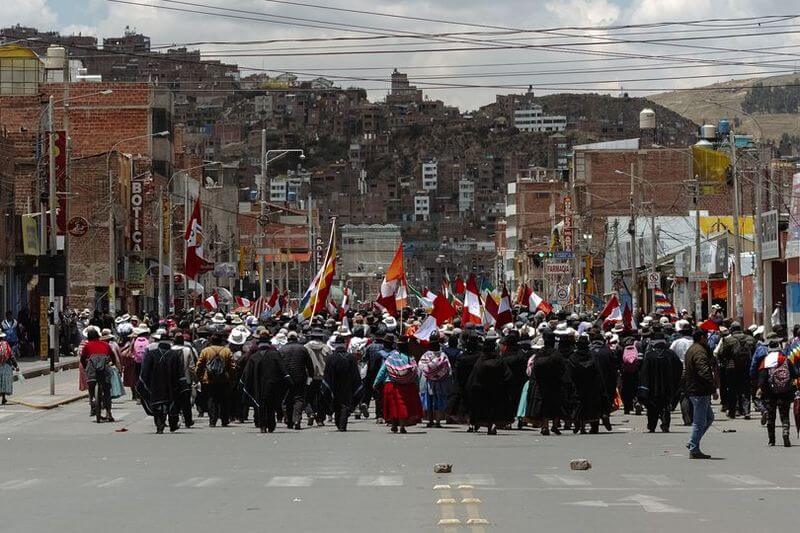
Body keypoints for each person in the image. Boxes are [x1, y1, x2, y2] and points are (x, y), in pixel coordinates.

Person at [242, 327, 291, 433]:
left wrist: (245, 383)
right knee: (271, 405)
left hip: (258, 385)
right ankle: (270, 424)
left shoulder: (254, 357)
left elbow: (247, 373)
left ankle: (262, 425)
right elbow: (283, 370)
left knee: (261, 405)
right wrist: (287, 380)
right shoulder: (275, 354)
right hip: (273, 384)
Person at [465, 332, 515, 435]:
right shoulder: (499, 360)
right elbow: (508, 376)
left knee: (483, 408)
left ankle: (481, 424)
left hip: (481, 390)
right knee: (494, 408)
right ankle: (492, 425)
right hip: (496, 389)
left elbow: (474, 377)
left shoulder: (480, 361)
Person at [138, 333, 187, 434]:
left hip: (155, 387)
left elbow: (145, 372)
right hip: (172, 387)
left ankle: (159, 425)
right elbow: (180, 372)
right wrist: (183, 385)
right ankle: (173, 425)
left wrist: (142, 384)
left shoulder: (151, 354)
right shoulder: (175, 355)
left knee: (156, 406)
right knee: (173, 406)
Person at [374, 335, 423, 433]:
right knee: (403, 405)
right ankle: (402, 426)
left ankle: (394, 424)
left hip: (391, 384)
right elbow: (415, 373)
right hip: (408, 385)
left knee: (393, 405)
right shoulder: (410, 358)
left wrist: (376, 382)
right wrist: (417, 385)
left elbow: (383, 370)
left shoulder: (391, 357)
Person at [637, 330, 683, 433]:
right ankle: (665, 423)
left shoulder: (649, 355)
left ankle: (652, 426)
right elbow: (679, 368)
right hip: (667, 386)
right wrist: (674, 381)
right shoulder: (670, 354)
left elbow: (644, 372)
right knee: (665, 405)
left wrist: (643, 387)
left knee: (652, 406)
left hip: (652, 387)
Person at [527, 331, 572, 435]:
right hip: (555, 383)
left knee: (543, 405)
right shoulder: (557, 354)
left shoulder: (539, 353)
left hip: (541, 384)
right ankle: (555, 426)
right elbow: (563, 370)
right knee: (556, 404)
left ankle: (545, 426)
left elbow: (535, 370)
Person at [757, 333, 797, 447]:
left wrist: (760, 388)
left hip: (770, 393)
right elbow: (795, 374)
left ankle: (772, 440)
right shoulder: (785, 360)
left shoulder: (766, 361)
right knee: (784, 414)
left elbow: (762, 377)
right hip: (785, 391)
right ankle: (785, 432)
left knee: (771, 416)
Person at [683, 328, 717, 459]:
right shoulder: (699, 351)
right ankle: (693, 446)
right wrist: (713, 388)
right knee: (699, 421)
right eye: (706, 337)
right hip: (699, 390)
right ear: (702, 337)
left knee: (709, 418)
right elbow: (704, 371)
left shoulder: (695, 349)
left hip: (695, 389)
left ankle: (694, 442)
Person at [567, 333, 606, 434]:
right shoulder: (592, 356)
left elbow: (570, 373)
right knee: (589, 406)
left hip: (577, 385)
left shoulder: (573, 357)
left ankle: (579, 425)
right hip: (590, 386)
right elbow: (598, 372)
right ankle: (584, 426)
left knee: (578, 406)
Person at [322, 334, 362, 431]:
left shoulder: (331, 358)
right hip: (348, 385)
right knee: (346, 404)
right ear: (344, 344)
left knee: (336, 404)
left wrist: (327, 386)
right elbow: (356, 374)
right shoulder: (351, 357)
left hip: (334, 385)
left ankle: (340, 423)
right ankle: (342, 423)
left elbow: (327, 374)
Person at [716, 322, 755, 419]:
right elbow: (754, 353)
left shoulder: (728, 340)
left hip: (731, 368)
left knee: (732, 390)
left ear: (731, 329)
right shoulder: (750, 339)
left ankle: (733, 412)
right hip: (746, 367)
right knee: (746, 389)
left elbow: (721, 353)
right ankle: (746, 411)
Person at [196, 332, 235, 427]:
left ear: (211, 341)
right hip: (224, 380)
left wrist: (200, 376)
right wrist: (231, 377)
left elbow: (199, 365)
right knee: (224, 400)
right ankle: (224, 420)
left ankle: (212, 421)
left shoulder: (205, 351)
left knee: (211, 400)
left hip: (209, 380)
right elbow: (232, 366)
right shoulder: (227, 351)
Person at [279, 331, 315, 429]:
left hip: (285, 378)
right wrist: (311, 376)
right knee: (298, 399)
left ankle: (288, 420)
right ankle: (296, 420)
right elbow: (309, 364)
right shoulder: (302, 349)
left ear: (288, 339)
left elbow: (278, 365)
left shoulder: (282, 349)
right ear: (296, 339)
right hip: (300, 377)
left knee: (286, 400)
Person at [79, 327, 116, 422]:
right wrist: (113, 363)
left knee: (91, 385)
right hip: (104, 368)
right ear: (98, 336)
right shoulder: (105, 344)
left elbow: (82, 358)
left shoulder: (87, 346)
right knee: (107, 390)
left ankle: (92, 402)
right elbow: (112, 356)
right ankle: (109, 412)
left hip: (92, 369)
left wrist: (85, 366)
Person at [418, 333, 452, 428]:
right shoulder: (443, 355)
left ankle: (430, 421)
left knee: (429, 400)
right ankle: (438, 421)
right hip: (441, 382)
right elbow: (448, 369)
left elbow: (420, 368)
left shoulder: (425, 355)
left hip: (427, 381)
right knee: (439, 400)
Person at [588, 328, 617, 431]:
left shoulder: (589, 351)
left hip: (593, 381)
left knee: (594, 402)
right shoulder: (608, 351)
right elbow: (614, 368)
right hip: (607, 380)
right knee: (607, 399)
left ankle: (594, 426)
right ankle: (605, 414)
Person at [363, 333, 393, 423]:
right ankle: (389, 415)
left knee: (379, 397)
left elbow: (373, 368)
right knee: (390, 398)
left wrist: (373, 379)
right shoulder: (396, 353)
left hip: (380, 378)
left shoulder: (378, 354)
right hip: (392, 378)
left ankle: (379, 416)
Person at [305, 328, 333, 426]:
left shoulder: (306, 347)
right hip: (323, 377)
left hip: (309, 377)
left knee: (307, 397)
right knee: (322, 398)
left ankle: (310, 413)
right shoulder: (327, 348)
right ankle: (320, 419)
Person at [172, 333, 198, 428]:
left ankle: (174, 420)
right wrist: (195, 378)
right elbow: (191, 367)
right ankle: (188, 421)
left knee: (174, 401)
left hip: (173, 380)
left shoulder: (170, 349)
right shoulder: (187, 350)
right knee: (186, 402)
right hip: (185, 379)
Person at [0, 332, 19, 404]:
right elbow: (11, 355)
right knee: (4, 382)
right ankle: (3, 398)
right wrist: (16, 366)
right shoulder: (6, 344)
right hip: (6, 365)